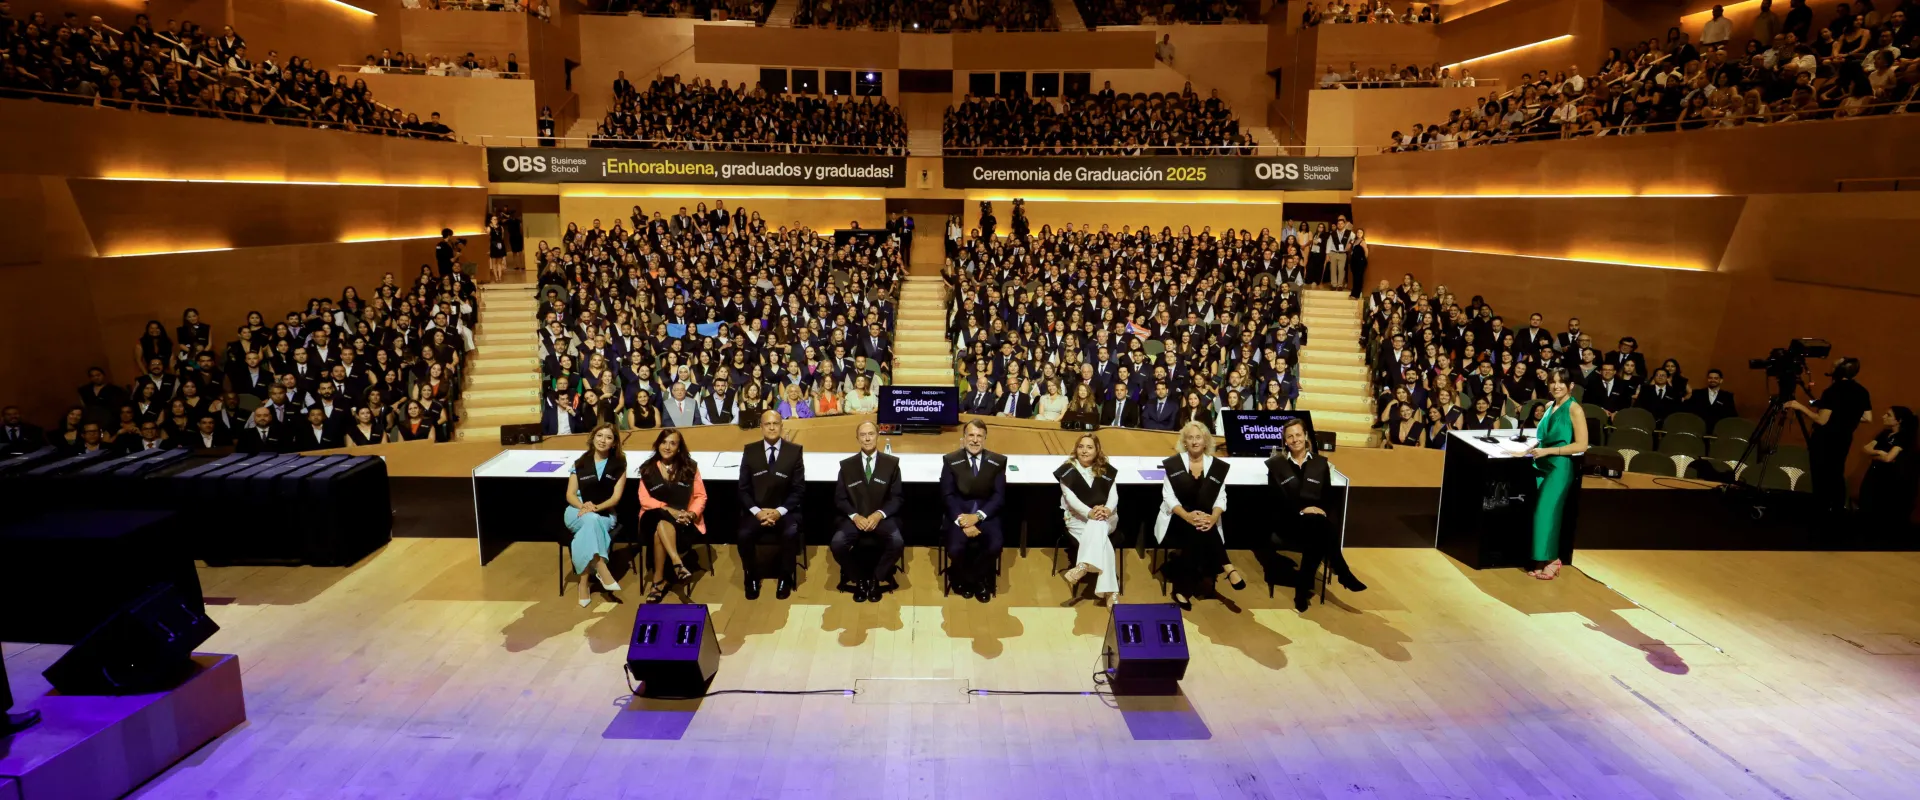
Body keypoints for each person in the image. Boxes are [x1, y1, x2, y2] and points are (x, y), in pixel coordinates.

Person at [1269, 418, 1365, 611]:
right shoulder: (1276, 465)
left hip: (1315, 523)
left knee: (1317, 529)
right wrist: (1302, 510)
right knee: (1321, 530)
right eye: (1290, 436)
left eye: (1298, 434)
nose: (1295, 439)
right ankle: (1341, 571)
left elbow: (1328, 498)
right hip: (1289, 521)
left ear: (1305, 436)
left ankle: (1301, 592)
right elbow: (1275, 502)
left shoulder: (1320, 464)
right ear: (1285, 441)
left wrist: (1318, 511)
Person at [1154, 421, 1242, 608]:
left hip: (1205, 520)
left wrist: (1213, 517)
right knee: (1195, 528)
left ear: (1206, 441)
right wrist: (1187, 516)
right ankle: (1227, 566)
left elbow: (1221, 498)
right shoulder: (1174, 464)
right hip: (1178, 518)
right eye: (1190, 438)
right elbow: (1168, 497)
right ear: (1184, 442)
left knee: (1199, 529)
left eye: (1198, 437)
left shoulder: (1215, 466)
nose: (1194, 441)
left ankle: (1181, 589)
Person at [1522, 368, 1590, 580]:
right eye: (1553, 382)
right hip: (1541, 464)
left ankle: (1552, 560)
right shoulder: (1550, 405)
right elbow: (1542, 438)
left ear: (1570, 386)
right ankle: (1541, 560)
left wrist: (1548, 451)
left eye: (1562, 382)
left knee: (1546, 513)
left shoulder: (1574, 409)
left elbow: (1582, 445)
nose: (1556, 386)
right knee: (1539, 514)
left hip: (1559, 467)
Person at [832, 420, 904, 603]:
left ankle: (875, 578)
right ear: (857, 438)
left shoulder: (892, 464)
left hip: (881, 518)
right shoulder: (847, 466)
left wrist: (879, 514)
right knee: (837, 543)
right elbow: (840, 498)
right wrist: (855, 517)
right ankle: (858, 579)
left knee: (897, 542)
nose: (867, 438)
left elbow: (897, 498)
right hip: (854, 519)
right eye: (863, 435)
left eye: (871, 434)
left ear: (878, 435)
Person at [1787, 358, 1872, 512]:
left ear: (1838, 370)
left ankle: (1822, 508)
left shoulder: (1833, 390)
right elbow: (1867, 417)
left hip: (1825, 440)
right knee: (1836, 473)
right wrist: (1845, 416)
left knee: (1820, 475)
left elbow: (1822, 420)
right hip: (1844, 439)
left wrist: (1798, 406)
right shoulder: (1862, 391)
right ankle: (1838, 508)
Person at [738, 409, 805, 600]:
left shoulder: (795, 451)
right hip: (756, 511)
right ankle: (751, 576)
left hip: (785, 510)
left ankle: (785, 576)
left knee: (791, 533)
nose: (772, 427)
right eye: (768, 424)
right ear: (761, 427)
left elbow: (798, 490)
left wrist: (778, 512)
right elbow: (743, 489)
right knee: (743, 535)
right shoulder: (750, 451)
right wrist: (758, 513)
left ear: (782, 426)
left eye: (776, 423)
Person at [635, 428, 707, 603]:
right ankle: (678, 563)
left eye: (672, 443)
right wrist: (668, 509)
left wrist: (690, 514)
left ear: (679, 448)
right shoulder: (648, 469)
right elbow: (644, 500)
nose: (667, 447)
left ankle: (658, 581)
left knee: (661, 527)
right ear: (658, 444)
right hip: (650, 519)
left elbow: (700, 496)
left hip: (685, 522)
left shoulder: (690, 468)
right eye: (664, 442)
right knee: (659, 519)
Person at [940, 419, 1007, 601]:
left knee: (994, 546)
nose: (975, 440)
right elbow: (947, 495)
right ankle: (968, 578)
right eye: (971, 435)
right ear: (964, 438)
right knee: (955, 548)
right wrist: (963, 521)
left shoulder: (998, 461)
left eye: (979, 436)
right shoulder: (950, 460)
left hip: (986, 515)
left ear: (985, 439)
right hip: (959, 515)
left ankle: (975, 580)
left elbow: (999, 496)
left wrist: (977, 517)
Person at [563, 423, 628, 607]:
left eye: (608, 437)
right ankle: (600, 567)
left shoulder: (618, 466)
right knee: (590, 521)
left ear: (614, 443)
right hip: (577, 510)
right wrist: (584, 505)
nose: (603, 440)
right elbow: (570, 494)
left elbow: (615, 498)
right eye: (599, 436)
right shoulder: (581, 463)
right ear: (593, 438)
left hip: (603, 513)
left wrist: (595, 508)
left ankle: (583, 583)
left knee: (591, 522)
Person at [1056, 433, 1120, 602]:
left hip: (1108, 517)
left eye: (1089, 447)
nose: (1084, 451)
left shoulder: (1106, 469)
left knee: (1098, 525)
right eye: (1081, 446)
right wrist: (1090, 513)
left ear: (1097, 450)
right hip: (1078, 519)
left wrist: (1106, 509)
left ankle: (1084, 565)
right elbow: (1070, 499)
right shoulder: (1067, 469)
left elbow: (1113, 497)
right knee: (1101, 536)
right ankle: (1111, 592)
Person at [1859, 406, 1915, 530]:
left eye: (1888, 415)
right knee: (1866, 501)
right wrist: (1880, 452)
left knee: (1883, 509)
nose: (1883, 417)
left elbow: (1889, 458)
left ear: (1898, 420)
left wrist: (1875, 456)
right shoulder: (1885, 433)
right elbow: (1866, 448)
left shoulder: (1904, 437)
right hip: (1875, 473)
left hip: (1889, 478)